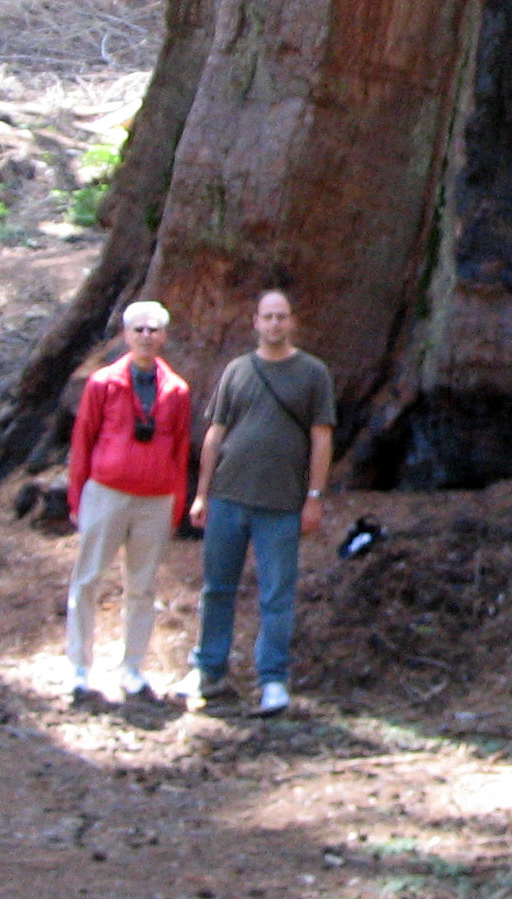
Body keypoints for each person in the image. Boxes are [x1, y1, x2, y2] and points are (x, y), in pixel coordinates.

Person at [186, 289, 335, 716]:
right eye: (267, 317)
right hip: (229, 498)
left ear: (292, 322)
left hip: (282, 503)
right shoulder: (237, 370)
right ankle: (209, 670)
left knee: (276, 594)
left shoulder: (311, 373)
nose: (274, 324)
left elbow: (321, 438)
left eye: (281, 317)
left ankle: (272, 680)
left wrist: (314, 497)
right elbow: (215, 434)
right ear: (255, 322)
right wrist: (202, 493)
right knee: (217, 588)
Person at [65, 300, 191, 705]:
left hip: (154, 499)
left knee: (142, 586)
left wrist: (175, 502)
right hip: (106, 492)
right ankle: (80, 668)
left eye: (154, 329)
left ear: (164, 337)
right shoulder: (102, 383)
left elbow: (180, 448)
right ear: (125, 334)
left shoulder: (177, 390)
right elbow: (83, 438)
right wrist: (76, 495)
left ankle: (132, 668)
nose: (145, 336)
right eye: (138, 329)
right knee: (87, 580)